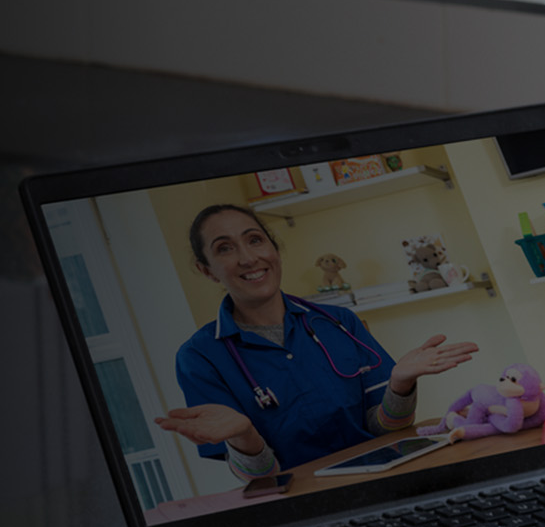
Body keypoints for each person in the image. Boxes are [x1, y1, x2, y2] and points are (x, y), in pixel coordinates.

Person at [159, 202, 477, 478]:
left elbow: (385, 429)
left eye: (254, 240)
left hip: (386, 481)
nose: (248, 258)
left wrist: (399, 385)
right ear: (208, 270)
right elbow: (263, 477)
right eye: (224, 248)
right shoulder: (200, 357)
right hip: (305, 506)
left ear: (274, 248)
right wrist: (245, 436)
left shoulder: (338, 322)